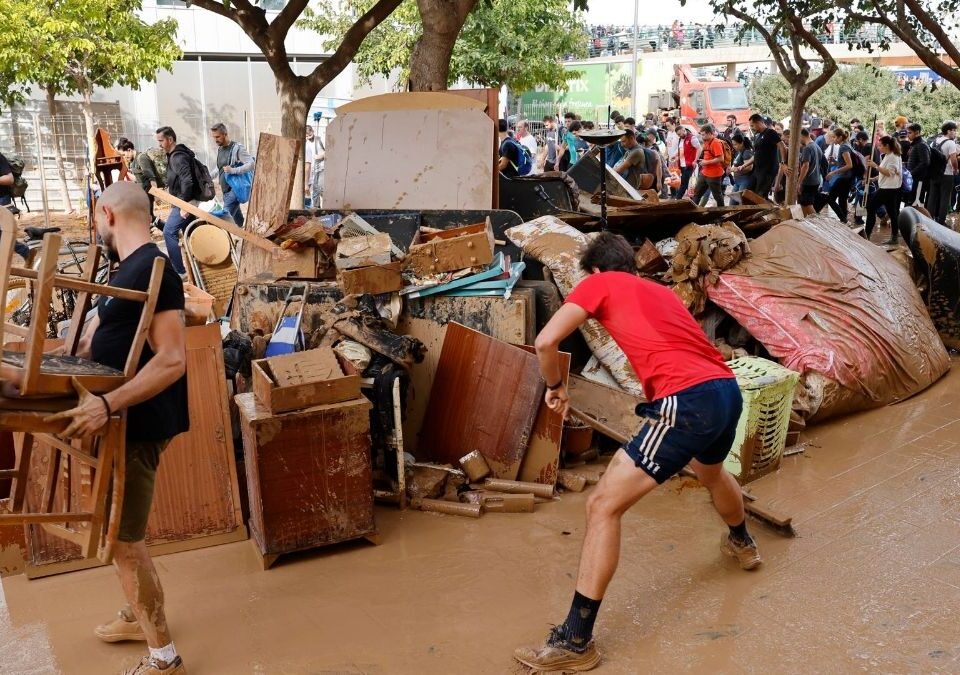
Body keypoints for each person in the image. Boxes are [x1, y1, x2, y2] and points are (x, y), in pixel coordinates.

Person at [515, 232, 760, 672]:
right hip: (725, 391)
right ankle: (743, 542)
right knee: (711, 473)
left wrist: (555, 386)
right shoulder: (659, 291)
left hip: (685, 401)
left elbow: (545, 343)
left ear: (593, 271)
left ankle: (575, 642)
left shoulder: (598, 282)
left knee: (602, 506)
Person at [47, 181, 189, 675]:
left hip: (136, 423)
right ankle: (137, 614)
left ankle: (164, 658)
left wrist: (106, 405)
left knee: (125, 543)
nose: (94, 228)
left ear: (106, 213)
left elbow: (171, 360)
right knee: (121, 535)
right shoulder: (128, 270)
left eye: (93, 219)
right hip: (120, 418)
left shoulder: (155, 270)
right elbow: (103, 341)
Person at [156, 127, 198, 278]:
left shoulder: (177, 157)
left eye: (161, 141)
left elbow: (187, 181)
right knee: (191, 234)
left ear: (170, 140)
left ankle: (180, 272)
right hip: (181, 201)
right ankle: (199, 268)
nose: (159, 144)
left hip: (184, 201)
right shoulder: (173, 155)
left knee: (169, 232)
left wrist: (184, 204)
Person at [210, 123, 254, 227]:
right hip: (225, 191)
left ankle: (222, 242)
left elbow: (251, 164)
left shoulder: (237, 148)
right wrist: (208, 177)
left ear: (225, 134)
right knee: (237, 219)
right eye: (214, 137)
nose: (215, 140)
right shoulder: (220, 149)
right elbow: (219, 167)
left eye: (217, 137)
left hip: (234, 190)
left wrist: (233, 170)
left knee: (222, 221)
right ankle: (243, 235)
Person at [117, 139, 165, 230]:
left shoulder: (142, 158)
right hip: (142, 194)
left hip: (149, 193)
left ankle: (168, 230)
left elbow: (152, 178)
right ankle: (168, 230)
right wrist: (124, 173)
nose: (124, 157)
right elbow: (137, 178)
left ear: (129, 150)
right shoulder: (132, 162)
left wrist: (157, 196)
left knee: (148, 217)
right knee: (148, 217)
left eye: (124, 154)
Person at [864, 135, 903, 244]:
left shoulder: (893, 156)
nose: (879, 147)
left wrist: (875, 166)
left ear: (887, 146)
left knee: (871, 207)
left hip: (888, 188)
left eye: (880, 145)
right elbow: (887, 172)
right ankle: (894, 237)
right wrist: (874, 178)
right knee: (892, 212)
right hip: (889, 187)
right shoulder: (889, 155)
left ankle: (867, 234)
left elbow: (889, 173)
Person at [819, 127, 855, 223]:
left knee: (830, 198)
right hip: (847, 177)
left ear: (840, 137)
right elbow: (845, 163)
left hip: (844, 177)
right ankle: (844, 221)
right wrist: (835, 162)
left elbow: (849, 165)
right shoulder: (847, 145)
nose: (833, 139)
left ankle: (843, 219)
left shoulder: (844, 147)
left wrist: (833, 172)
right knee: (842, 200)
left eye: (834, 137)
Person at [925, 121, 958, 225]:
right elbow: (953, 160)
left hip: (934, 173)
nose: (955, 133)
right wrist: (955, 169)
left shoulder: (934, 141)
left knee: (932, 197)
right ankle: (941, 221)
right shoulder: (950, 143)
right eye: (954, 130)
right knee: (945, 198)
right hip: (946, 173)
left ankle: (930, 219)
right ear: (948, 131)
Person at [0, 152, 29, 259]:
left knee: (3, 234)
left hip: (2, 200)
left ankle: (25, 251)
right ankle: (25, 251)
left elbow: (10, 179)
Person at [693, 124, 726, 207]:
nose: (702, 136)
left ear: (710, 133)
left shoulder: (716, 142)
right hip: (705, 173)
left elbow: (721, 158)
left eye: (703, 134)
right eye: (701, 134)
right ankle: (692, 213)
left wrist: (706, 162)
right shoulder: (707, 142)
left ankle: (721, 214)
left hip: (714, 174)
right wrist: (702, 161)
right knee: (696, 193)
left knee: (717, 196)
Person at [749, 113, 780, 198]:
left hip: (767, 171)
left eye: (753, 125)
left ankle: (766, 210)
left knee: (761, 195)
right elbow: (756, 154)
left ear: (759, 122)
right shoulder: (758, 135)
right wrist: (744, 165)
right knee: (751, 192)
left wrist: (783, 163)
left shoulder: (771, 132)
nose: (752, 128)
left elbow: (782, 147)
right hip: (758, 170)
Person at [797, 128, 824, 216]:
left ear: (801, 136)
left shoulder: (807, 148)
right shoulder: (816, 146)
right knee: (805, 204)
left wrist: (799, 182)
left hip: (808, 181)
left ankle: (814, 224)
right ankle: (808, 224)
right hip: (816, 180)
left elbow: (805, 166)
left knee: (807, 204)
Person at [905, 123, 930, 206]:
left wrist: (911, 173)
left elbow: (925, 162)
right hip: (914, 179)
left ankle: (926, 218)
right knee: (911, 202)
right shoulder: (915, 144)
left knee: (917, 203)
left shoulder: (921, 145)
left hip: (919, 180)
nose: (908, 135)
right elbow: (914, 161)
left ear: (917, 132)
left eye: (910, 133)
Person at [675, 124, 701, 199]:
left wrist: (695, 160)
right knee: (687, 184)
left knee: (685, 183)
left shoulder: (692, 138)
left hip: (690, 165)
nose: (679, 136)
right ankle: (691, 199)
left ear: (684, 130)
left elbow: (699, 148)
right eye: (678, 135)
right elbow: (682, 150)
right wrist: (677, 156)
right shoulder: (681, 139)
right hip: (682, 165)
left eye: (680, 134)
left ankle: (678, 199)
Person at [729, 133, 755, 197]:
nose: (734, 146)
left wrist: (736, 169)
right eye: (733, 144)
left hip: (745, 181)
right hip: (738, 181)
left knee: (742, 202)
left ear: (742, 143)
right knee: (733, 203)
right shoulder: (739, 151)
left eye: (735, 144)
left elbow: (749, 167)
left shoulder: (746, 152)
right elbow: (736, 163)